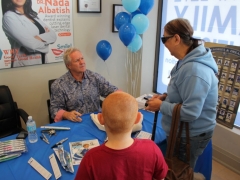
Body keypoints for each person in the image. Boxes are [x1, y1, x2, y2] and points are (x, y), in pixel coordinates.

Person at [146, 18, 218, 169]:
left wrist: (161, 105)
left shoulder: (194, 70)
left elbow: (191, 112)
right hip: (183, 131)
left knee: (180, 172)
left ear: (176, 38)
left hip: (190, 135)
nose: (164, 44)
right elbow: (184, 92)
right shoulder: (187, 60)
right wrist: (166, 97)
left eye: (164, 39)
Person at [75, 92, 168, 180]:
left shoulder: (90, 159)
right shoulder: (152, 148)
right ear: (138, 118)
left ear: (100, 119)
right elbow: (160, 177)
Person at [50, 47, 118, 122]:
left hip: (96, 121)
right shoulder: (58, 85)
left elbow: (113, 91)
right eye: (77, 60)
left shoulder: (94, 77)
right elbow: (54, 110)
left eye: (82, 58)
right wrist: (67, 114)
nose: (82, 62)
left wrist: (127, 100)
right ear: (68, 66)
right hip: (75, 123)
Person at [2, 0, 57, 67]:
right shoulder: (9, 16)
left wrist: (38, 38)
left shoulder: (31, 14)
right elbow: (31, 45)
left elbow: (53, 35)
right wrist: (46, 44)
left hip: (43, 62)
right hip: (25, 66)